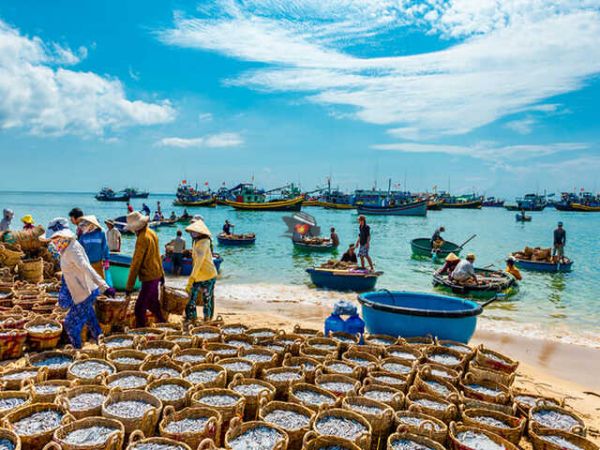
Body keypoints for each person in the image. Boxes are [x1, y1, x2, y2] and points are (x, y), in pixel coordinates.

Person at [43, 220, 115, 349]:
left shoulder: (72, 249)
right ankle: (102, 345)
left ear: (63, 236)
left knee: (70, 324)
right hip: (82, 291)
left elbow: (86, 268)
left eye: (54, 238)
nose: (52, 241)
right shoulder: (66, 247)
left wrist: (104, 286)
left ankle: (77, 351)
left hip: (85, 293)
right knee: (91, 320)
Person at [125, 211, 165, 327]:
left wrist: (129, 286)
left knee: (139, 308)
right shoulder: (151, 233)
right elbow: (158, 255)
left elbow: (136, 264)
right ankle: (163, 323)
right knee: (153, 304)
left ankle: (141, 330)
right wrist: (162, 274)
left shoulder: (142, 238)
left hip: (149, 277)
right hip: (156, 274)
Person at [185, 218, 218, 322]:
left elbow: (198, 262)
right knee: (192, 299)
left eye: (193, 231)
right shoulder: (196, 241)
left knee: (206, 300)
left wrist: (191, 280)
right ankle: (192, 318)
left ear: (199, 232)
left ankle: (207, 319)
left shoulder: (204, 242)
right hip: (199, 275)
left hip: (208, 276)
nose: (191, 233)